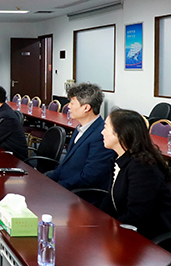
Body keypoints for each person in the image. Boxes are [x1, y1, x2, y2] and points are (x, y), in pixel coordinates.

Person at [99, 109, 171, 239]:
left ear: (121, 134)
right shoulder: (119, 159)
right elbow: (110, 200)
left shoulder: (143, 167)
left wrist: (108, 230)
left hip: (148, 239)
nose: (102, 132)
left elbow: (136, 216)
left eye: (106, 127)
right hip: (125, 229)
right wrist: (97, 223)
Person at [48, 83, 116, 201]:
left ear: (86, 108)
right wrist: (47, 179)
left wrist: (58, 186)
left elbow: (90, 177)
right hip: (67, 187)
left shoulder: (101, 135)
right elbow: (65, 164)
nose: (68, 106)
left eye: (72, 103)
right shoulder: (80, 128)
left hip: (81, 196)